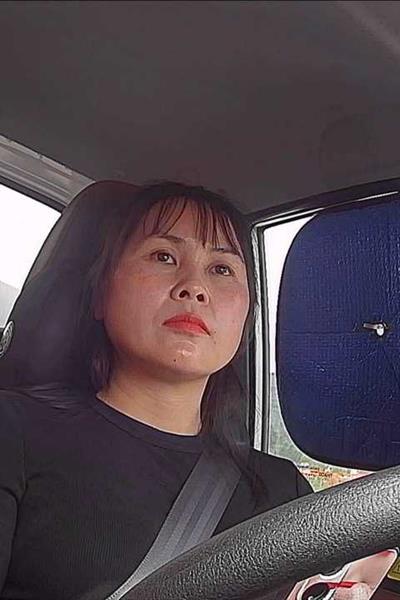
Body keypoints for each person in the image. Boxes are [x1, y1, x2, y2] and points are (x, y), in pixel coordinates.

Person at [0, 181, 313, 600]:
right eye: (164, 256)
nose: (194, 287)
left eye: (221, 269)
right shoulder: (14, 432)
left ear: (246, 318)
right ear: (101, 294)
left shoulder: (283, 492)